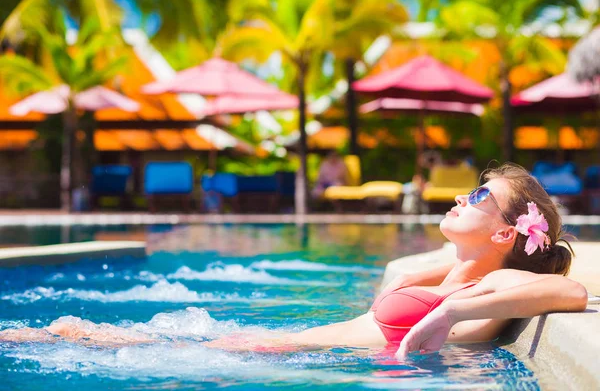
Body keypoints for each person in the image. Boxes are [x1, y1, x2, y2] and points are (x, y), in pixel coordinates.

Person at [0, 163, 588, 357]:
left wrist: (442, 319)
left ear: (511, 232)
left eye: (481, 195)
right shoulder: (454, 270)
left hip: (294, 355)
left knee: (76, 335)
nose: (464, 195)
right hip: (284, 346)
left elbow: (571, 294)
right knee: (84, 334)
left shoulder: (501, 277)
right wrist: (444, 296)